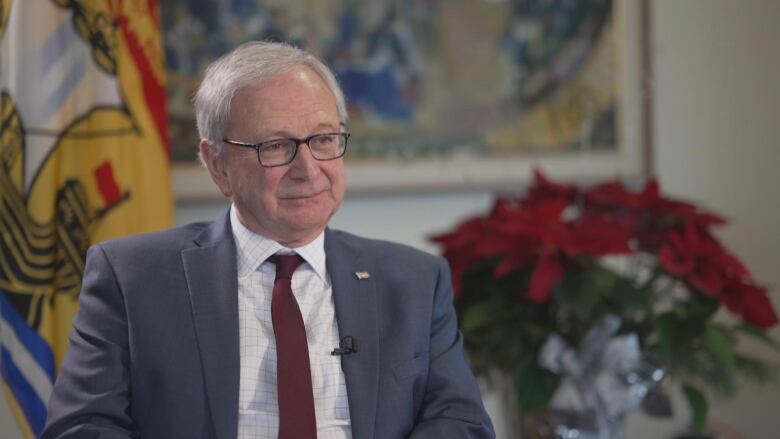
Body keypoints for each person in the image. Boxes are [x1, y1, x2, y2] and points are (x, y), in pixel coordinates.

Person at [42, 41, 495, 439]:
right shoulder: (131, 279)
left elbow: (461, 422)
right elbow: (80, 428)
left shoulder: (414, 280)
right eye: (276, 146)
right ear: (217, 163)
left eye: (323, 139)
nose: (308, 167)